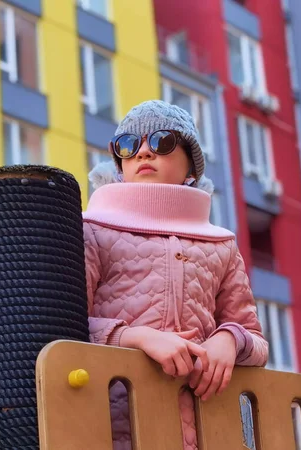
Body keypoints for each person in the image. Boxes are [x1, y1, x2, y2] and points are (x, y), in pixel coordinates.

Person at [83, 100, 269, 450]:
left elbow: (256, 343)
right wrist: (135, 338)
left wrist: (229, 339)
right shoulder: (92, 229)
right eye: (127, 145)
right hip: (112, 426)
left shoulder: (220, 243)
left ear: (191, 166)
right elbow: (64, 326)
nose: (142, 153)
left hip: (207, 428)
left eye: (161, 141)